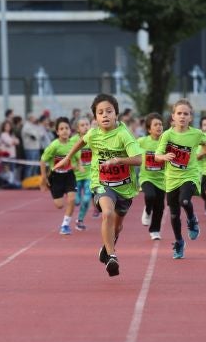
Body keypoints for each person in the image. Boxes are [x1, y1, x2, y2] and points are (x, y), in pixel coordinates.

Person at [55, 93, 143, 277]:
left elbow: (139, 159)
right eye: (100, 112)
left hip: (125, 187)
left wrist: (118, 160)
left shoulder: (123, 134)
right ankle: (112, 256)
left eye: (109, 111)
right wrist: (68, 158)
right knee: (107, 213)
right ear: (95, 117)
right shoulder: (93, 133)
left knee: (117, 227)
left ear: (116, 114)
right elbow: (81, 141)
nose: (104, 115)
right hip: (102, 183)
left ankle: (108, 246)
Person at [155, 99, 206, 259]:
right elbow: (156, 155)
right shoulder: (167, 135)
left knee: (185, 201)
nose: (182, 116)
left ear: (191, 117)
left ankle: (191, 219)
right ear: (173, 117)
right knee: (174, 215)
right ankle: (179, 242)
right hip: (171, 178)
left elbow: (205, 144)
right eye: (179, 113)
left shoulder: (196, 134)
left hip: (190, 175)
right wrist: (164, 156)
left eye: (186, 114)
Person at [40, 117, 80, 235]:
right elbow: (43, 161)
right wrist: (43, 178)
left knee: (72, 199)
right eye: (61, 129)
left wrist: (78, 165)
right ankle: (58, 194)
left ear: (70, 130)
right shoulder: (54, 146)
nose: (64, 131)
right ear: (57, 132)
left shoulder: (73, 144)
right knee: (59, 205)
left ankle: (65, 225)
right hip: (56, 177)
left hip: (69, 175)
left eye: (66, 128)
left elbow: (77, 157)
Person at [137, 112, 167, 240]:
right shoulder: (142, 141)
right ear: (149, 129)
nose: (159, 127)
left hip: (162, 179)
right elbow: (128, 147)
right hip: (146, 177)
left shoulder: (167, 142)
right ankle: (147, 210)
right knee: (150, 196)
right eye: (155, 125)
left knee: (160, 206)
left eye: (160, 124)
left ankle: (155, 230)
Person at [69, 117, 93, 230]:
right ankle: (77, 201)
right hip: (76, 175)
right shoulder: (73, 141)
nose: (85, 127)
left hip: (90, 174)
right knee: (77, 201)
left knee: (87, 199)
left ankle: (80, 219)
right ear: (78, 129)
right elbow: (67, 155)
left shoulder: (93, 139)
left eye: (87, 124)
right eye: (82, 125)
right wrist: (74, 164)